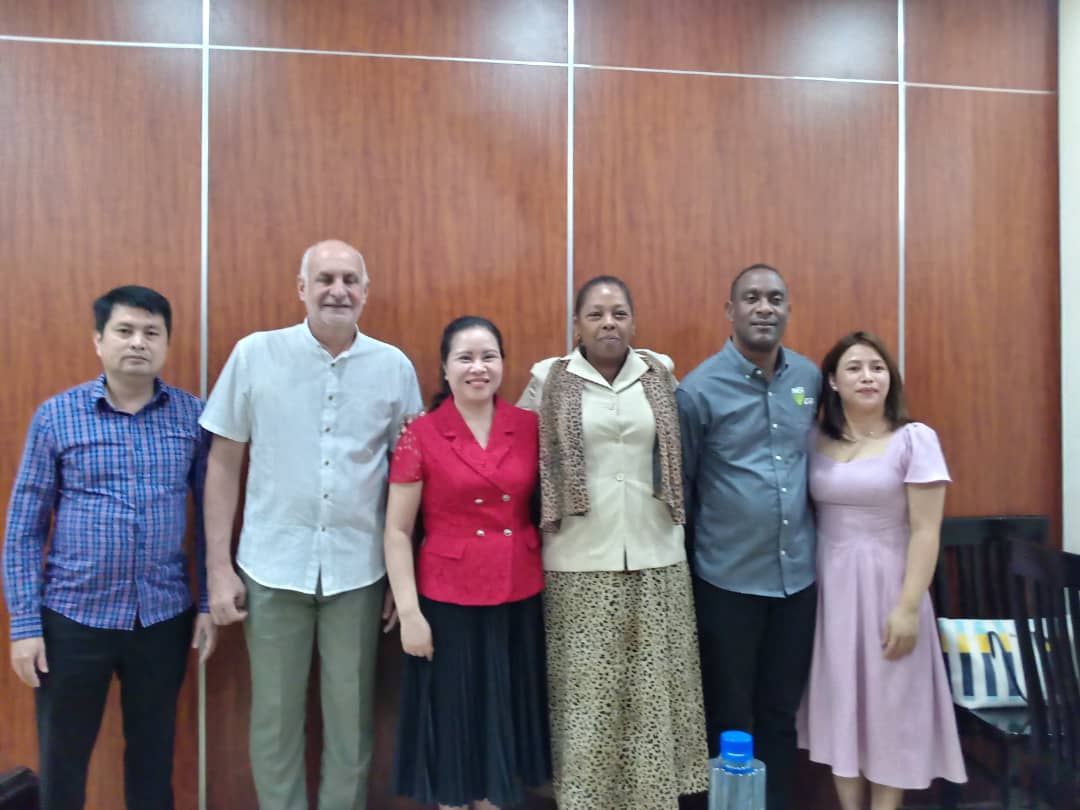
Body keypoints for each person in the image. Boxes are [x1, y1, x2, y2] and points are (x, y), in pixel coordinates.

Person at [201, 239, 422, 810]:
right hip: (271, 569)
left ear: (366, 293)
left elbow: (413, 475)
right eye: (325, 278)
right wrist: (218, 568)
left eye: (350, 279)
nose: (338, 290)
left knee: (351, 723)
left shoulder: (394, 368)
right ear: (302, 288)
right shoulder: (255, 355)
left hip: (359, 572)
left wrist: (406, 577)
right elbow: (223, 463)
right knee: (274, 720)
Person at [2, 285, 215, 810]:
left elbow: (213, 521)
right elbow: (23, 528)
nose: (137, 342)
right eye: (124, 330)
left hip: (161, 617)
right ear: (99, 340)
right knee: (64, 760)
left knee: (153, 758)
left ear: (166, 343)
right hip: (72, 618)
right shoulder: (57, 416)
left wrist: (209, 602)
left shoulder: (193, 418)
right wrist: (25, 625)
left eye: (151, 332)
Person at [518, 276, 708, 810]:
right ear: (576, 324)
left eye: (619, 313)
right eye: (596, 314)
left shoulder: (660, 373)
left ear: (633, 321)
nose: (608, 323)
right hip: (578, 560)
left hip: (657, 556)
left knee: (652, 702)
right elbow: (515, 454)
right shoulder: (548, 379)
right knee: (589, 702)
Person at [384, 316, 550, 810]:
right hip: (447, 602)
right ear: (445, 367)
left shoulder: (529, 427)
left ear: (502, 363)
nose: (478, 368)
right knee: (456, 730)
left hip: (517, 597)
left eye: (488, 356)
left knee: (504, 728)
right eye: (465, 357)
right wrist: (410, 614)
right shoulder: (422, 433)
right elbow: (397, 531)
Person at [797, 331, 966, 809]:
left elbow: (927, 531)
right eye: (854, 368)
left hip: (891, 587)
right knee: (841, 704)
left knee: (891, 707)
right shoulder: (813, 440)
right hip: (829, 590)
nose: (867, 377)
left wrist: (909, 607)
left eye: (877, 367)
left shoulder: (915, 439)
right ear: (832, 380)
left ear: (890, 378)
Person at [677, 263, 819, 810]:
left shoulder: (808, 379)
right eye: (753, 298)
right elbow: (683, 489)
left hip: (797, 582)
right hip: (726, 582)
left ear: (787, 308)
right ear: (730, 310)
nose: (765, 308)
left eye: (776, 298)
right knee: (729, 717)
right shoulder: (698, 388)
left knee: (782, 714)